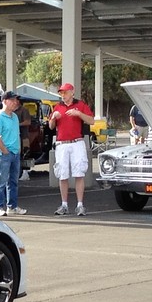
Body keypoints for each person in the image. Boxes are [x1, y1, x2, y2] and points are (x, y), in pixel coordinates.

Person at [48, 82, 94, 215]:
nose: (63, 95)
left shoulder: (80, 105)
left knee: (79, 172)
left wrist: (78, 114)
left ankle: (80, 204)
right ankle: (64, 204)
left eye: (65, 92)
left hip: (77, 142)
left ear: (72, 92)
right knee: (63, 174)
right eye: (61, 93)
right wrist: (53, 119)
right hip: (62, 143)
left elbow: (91, 121)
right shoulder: (57, 107)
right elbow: (51, 127)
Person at [0, 91, 27, 217]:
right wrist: (5, 151)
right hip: (4, 154)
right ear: (5, 101)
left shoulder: (15, 117)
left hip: (15, 153)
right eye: (12, 100)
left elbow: (17, 134)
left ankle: (12, 206)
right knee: (1, 181)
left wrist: (18, 149)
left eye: (15, 100)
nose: (15, 102)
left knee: (13, 181)